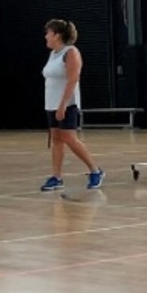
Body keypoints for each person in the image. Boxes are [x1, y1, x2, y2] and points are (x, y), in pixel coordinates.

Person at [39, 19, 105, 192]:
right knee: (56, 140)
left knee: (69, 138)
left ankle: (95, 171)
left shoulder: (71, 52)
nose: (46, 36)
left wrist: (63, 105)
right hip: (51, 104)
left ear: (57, 35)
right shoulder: (53, 54)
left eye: (48, 33)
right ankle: (56, 177)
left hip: (67, 104)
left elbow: (72, 80)